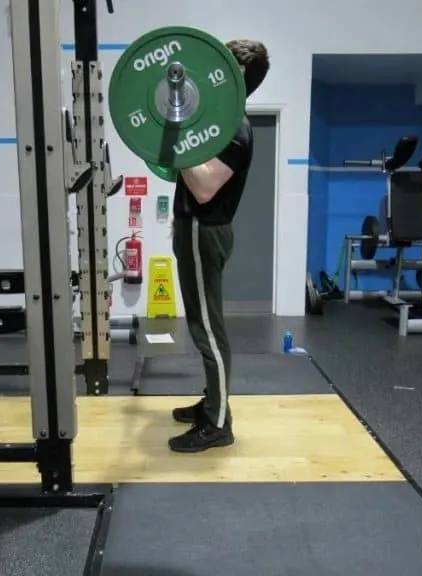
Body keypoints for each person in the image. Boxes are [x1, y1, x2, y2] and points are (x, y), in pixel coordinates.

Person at [167, 39, 269, 453]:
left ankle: (219, 424)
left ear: (239, 78)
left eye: (225, 68)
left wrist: (174, 133)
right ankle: (213, 401)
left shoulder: (236, 128)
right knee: (203, 323)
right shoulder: (219, 123)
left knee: (207, 329)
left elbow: (205, 187)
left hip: (202, 229)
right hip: (195, 229)